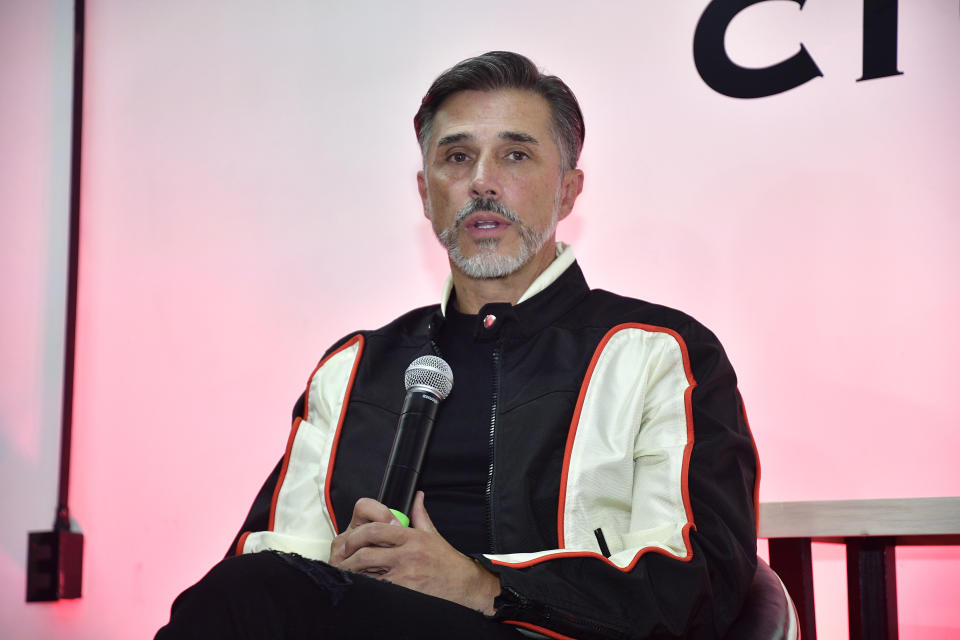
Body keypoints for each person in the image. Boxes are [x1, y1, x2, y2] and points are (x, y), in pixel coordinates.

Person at [156, 51, 759, 639]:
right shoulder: (355, 368)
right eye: (458, 156)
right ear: (425, 192)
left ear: (569, 191)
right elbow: (270, 559)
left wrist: (476, 585)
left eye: (515, 154)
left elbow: (699, 586)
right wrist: (345, 584)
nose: (482, 182)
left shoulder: (659, 353)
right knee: (249, 591)